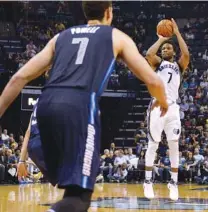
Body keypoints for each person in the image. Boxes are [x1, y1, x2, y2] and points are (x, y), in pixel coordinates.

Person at [0, 2, 167, 212]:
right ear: (109, 12)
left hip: (45, 104)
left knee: (70, 190)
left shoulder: (60, 37)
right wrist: (163, 102)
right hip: (78, 105)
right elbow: (154, 81)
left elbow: (19, 77)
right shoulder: (116, 36)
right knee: (79, 197)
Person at [143, 18, 190, 201]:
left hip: (173, 108)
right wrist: (161, 39)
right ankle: (148, 181)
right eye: (164, 49)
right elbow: (148, 54)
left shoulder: (179, 66)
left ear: (173, 51)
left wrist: (177, 34)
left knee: (174, 145)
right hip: (157, 106)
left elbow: (186, 55)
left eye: (168, 48)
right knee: (153, 144)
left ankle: (174, 182)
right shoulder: (157, 63)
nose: (165, 50)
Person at [17, 100, 48, 183]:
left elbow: (28, 133)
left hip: (33, 148)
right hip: (45, 144)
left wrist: (21, 160)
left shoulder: (35, 109)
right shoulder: (53, 99)